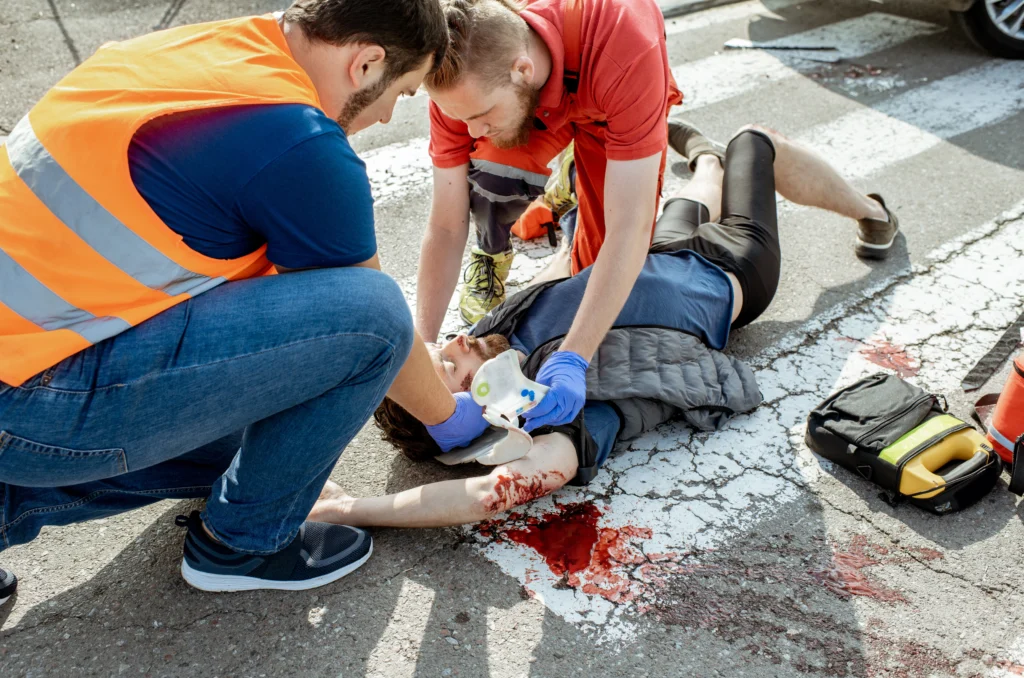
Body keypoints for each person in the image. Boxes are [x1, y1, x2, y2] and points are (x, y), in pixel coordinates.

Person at [0, 0, 456, 596]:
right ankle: (242, 547)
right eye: (404, 91)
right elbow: (369, 335)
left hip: (27, 362)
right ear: (367, 63)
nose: (389, 115)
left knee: (264, 447)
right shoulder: (297, 142)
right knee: (372, 317)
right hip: (28, 403)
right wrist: (454, 420)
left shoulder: (206, 51)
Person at [309, 123, 902, 528]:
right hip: (732, 271)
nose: (457, 341)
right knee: (758, 141)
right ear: (466, 411)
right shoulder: (562, 415)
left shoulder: (492, 337)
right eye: (449, 365)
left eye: (440, 347)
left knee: (691, 197)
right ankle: (874, 213)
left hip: (647, 253)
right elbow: (488, 493)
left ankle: (703, 159)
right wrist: (353, 509)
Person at [414, 0, 687, 451]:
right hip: (532, 96)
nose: (471, 129)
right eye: (461, 117)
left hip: (602, 91)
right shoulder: (463, 82)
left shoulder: (626, 49)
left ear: (522, 70)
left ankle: (571, 180)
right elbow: (445, 224)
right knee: (488, 178)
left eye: (479, 114)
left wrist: (572, 358)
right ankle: (504, 233)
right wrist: (421, 348)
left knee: (600, 270)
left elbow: (630, 229)